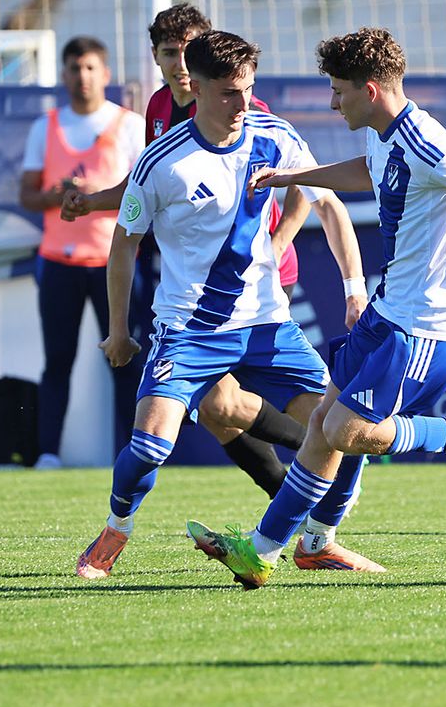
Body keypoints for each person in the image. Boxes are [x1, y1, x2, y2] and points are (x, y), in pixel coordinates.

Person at [187, 26, 446, 589]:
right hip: (387, 310)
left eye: (338, 91)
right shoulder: (384, 132)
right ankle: (271, 550)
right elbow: (364, 171)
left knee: (348, 430)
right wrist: (292, 177)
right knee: (323, 424)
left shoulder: (428, 142)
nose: (332, 101)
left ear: (370, 89)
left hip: (426, 325)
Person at [73, 30, 368, 579]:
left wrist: (354, 289)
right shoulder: (161, 162)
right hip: (188, 328)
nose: (242, 105)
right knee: (150, 445)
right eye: (230, 93)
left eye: (249, 90)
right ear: (198, 86)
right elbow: (124, 244)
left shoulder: (274, 135)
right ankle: (117, 527)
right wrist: (118, 330)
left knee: (344, 429)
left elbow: (327, 205)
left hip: (267, 323)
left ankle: (318, 541)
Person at [18, 37, 147, 467]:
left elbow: (144, 189)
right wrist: (58, 195)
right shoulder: (46, 126)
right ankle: (48, 454)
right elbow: (27, 196)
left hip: (115, 262)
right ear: (63, 74)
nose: (82, 76)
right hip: (57, 262)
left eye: (91, 68)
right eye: (74, 68)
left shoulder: (129, 125)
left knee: (125, 357)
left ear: (106, 74)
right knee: (57, 361)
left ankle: (131, 453)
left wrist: (98, 197)